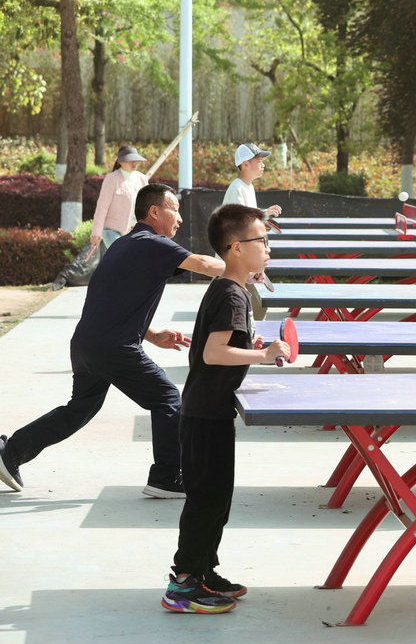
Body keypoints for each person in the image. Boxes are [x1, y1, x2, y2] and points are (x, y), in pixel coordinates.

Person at [0, 184, 225, 497]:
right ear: (154, 212)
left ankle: (10, 452)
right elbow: (205, 265)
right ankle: (166, 477)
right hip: (113, 348)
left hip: (86, 344)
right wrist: (243, 266)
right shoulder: (153, 242)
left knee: (78, 410)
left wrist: (151, 334)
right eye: (175, 210)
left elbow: (111, 299)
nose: (181, 218)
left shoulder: (124, 243)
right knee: (167, 398)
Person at [161, 204, 290, 614]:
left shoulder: (228, 289)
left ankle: (203, 571)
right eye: (261, 240)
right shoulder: (233, 295)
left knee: (217, 500)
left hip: (209, 411)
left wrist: (250, 348)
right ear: (236, 247)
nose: (267, 248)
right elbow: (214, 353)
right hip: (205, 415)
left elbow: (220, 347)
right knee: (206, 500)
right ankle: (183, 584)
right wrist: (263, 355)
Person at [90, 145, 150, 249]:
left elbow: (147, 206)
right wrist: (96, 233)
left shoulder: (142, 179)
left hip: (134, 230)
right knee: (121, 254)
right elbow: (102, 207)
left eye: (135, 160)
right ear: (120, 162)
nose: (134, 163)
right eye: (130, 160)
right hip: (111, 230)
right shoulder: (111, 179)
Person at [223, 143, 282, 218]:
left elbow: (249, 215)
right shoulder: (237, 188)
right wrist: (263, 214)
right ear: (246, 165)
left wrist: (265, 213)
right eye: (259, 161)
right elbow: (240, 221)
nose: (263, 165)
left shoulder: (249, 187)